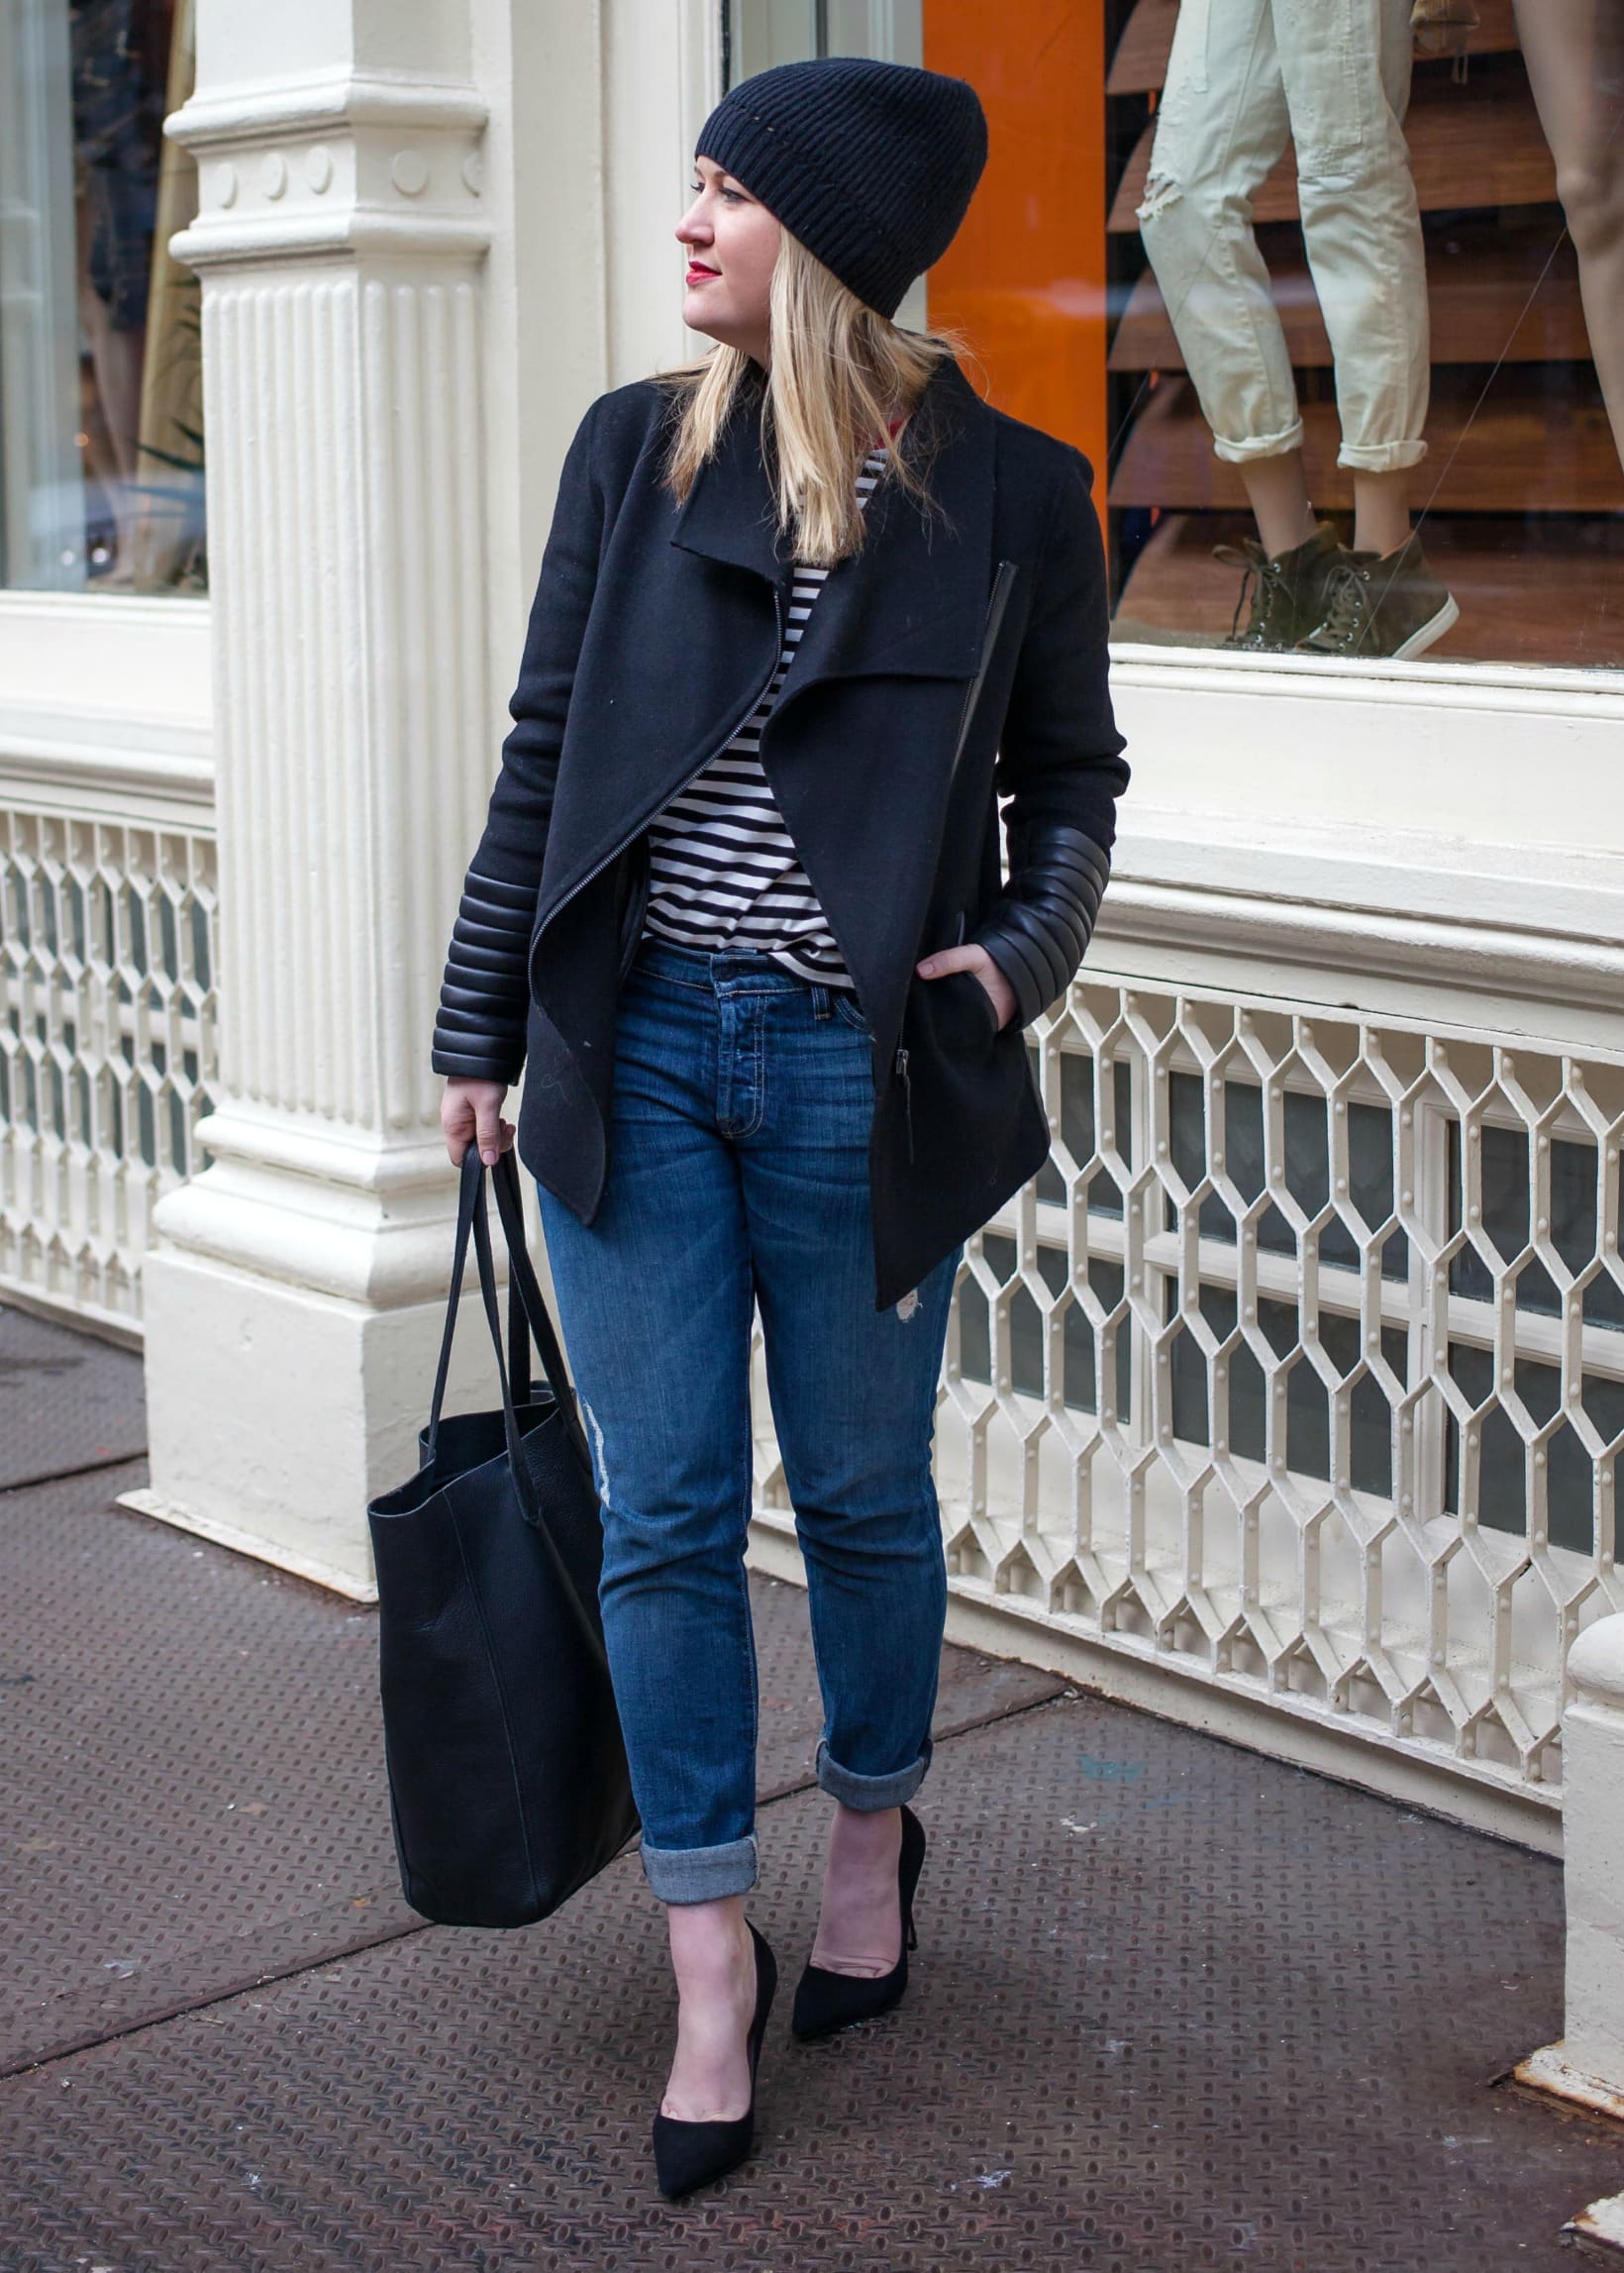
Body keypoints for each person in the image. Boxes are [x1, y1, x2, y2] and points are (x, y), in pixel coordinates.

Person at [431, 55, 1129, 2199]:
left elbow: (1073, 783)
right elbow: (545, 748)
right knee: (659, 1516)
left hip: (858, 1071)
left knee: (855, 1496)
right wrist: (475, 1025)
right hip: (631, 1058)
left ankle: (870, 1828)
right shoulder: (630, 454)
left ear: (819, 241)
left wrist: (1011, 963)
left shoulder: (1009, 496)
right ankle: (706, 1962)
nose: (687, 226)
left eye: (724, 194)